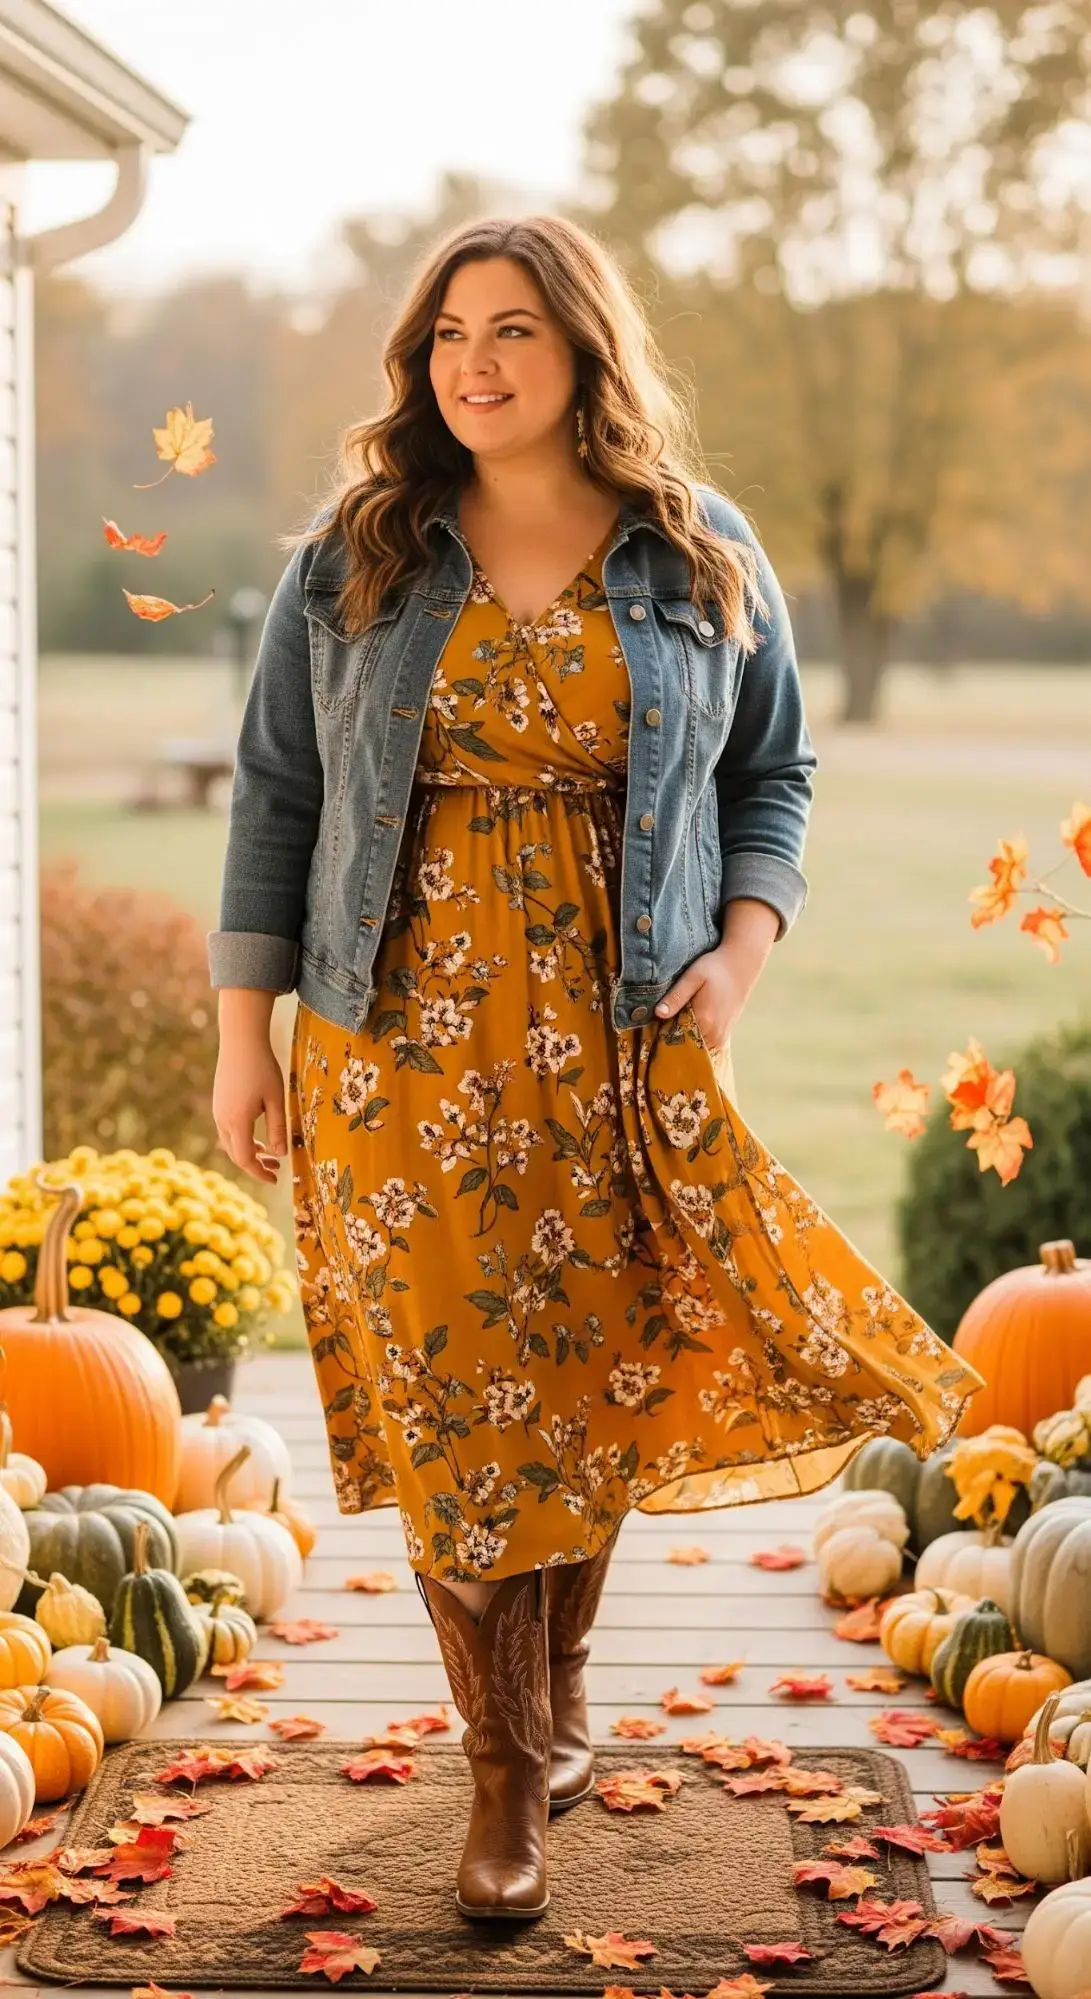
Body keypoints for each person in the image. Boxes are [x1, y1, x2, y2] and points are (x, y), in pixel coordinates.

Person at [208, 213, 984, 1924]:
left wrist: (743, 946)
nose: (472, 364)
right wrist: (239, 1033)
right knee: (450, 1391)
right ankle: (499, 1766)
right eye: (446, 336)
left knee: (592, 1369)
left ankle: (552, 1688)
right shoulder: (358, 553)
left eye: (512, 332)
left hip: (621, 1034)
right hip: (390, 1040)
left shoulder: (699, 552)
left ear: (584, 355)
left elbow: (770, 778)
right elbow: (278, 793)